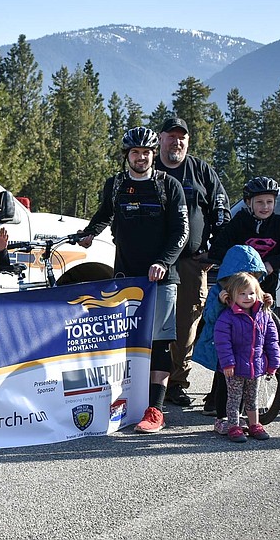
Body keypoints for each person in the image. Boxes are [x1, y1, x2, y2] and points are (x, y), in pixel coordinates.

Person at [79, 127, 188, 433]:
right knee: (125, 343)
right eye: (135, 153)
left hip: (161, 278)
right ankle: (125, 402)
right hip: (126, 276)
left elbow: (181, 231)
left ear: (154, 155)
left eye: (147, 153)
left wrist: (163, 263)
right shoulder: (115, 185)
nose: (141, 158)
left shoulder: (168, 186)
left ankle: (155, 409)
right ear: (126, 155)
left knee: (159, 343)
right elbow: (104, 213)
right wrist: (90, 233)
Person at [205, 177, 280, 418]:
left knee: (270, 342)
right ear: (249, 203)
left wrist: (271, 263)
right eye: (259, 202)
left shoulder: (279, 224)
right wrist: (238, 265)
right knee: (231, 342)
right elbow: (218, 250)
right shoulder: (239, 223)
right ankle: (216, 396)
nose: (265, 207)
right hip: (238, 297)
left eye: (270, 202)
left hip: (265, 294)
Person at [155, 117, 230, 408]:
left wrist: (215, 252)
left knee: (185, 326)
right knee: (150, 323)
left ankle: (175, 383)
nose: (176, 142)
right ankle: (144, 384)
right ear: (160, 139)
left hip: (190, 262)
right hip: (154, 263)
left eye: (181, 137)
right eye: (171, 136)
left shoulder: (201, 171)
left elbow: (221, 211)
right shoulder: (149, 169)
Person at [213, 272, 280, 443]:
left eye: (251, 293)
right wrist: (227, 363)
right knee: (234, 398)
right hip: (234, 368)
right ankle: (234, 426)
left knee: (252, 398)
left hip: (256, 367)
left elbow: (272, 341)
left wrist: (273, 363)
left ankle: (254, 424)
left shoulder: (264, 316)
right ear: (232, 295)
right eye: (241, 293)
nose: (247, 297)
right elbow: (222, 342)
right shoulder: (227, 317)